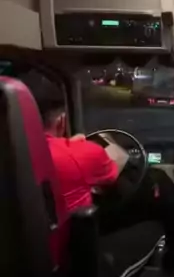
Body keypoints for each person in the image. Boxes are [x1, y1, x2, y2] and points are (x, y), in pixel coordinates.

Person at [33, 81, 119, 213]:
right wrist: (75, 148)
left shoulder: (9, 150)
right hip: (66, 227)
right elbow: (113, 176)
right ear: (61, 120)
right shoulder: (83, 152)